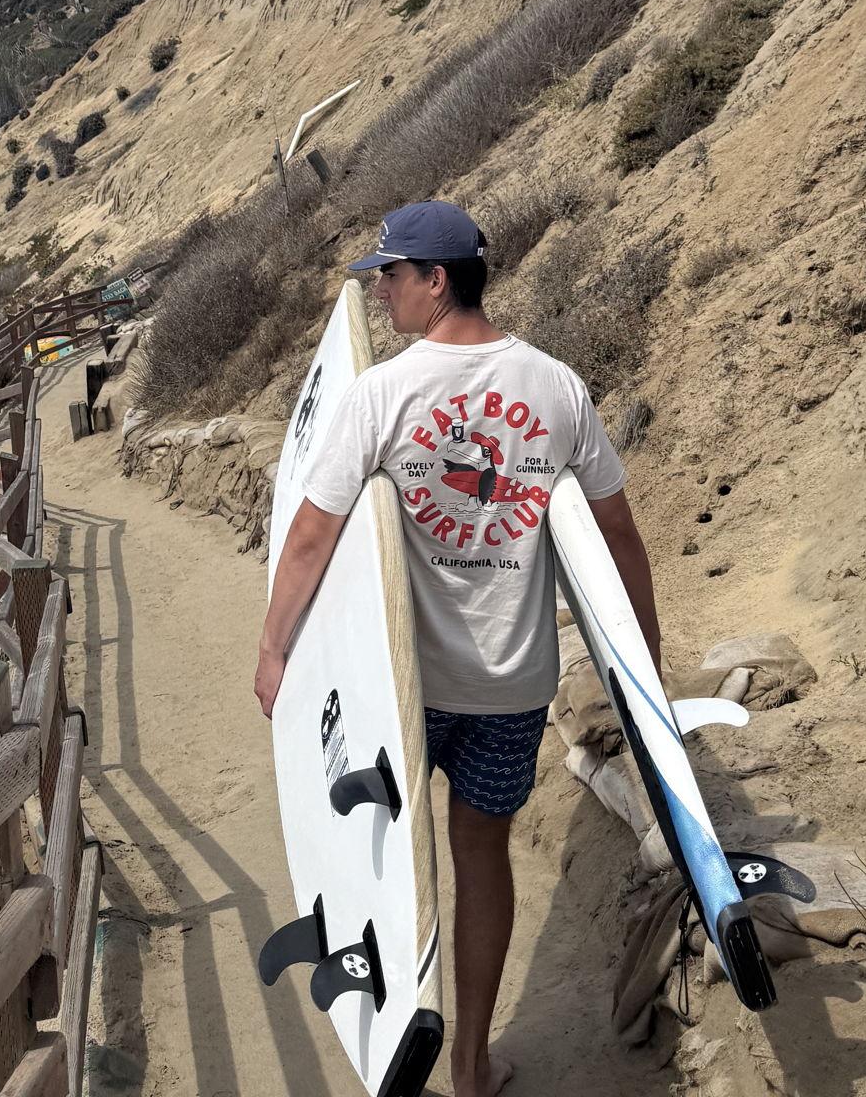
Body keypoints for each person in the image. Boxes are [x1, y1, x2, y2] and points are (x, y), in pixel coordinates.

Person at [258, 200, 663, 1097]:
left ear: (435, 280)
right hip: (511, 687)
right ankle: (473, 1066)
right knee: (481, 855)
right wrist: (646, 665)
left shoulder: (383, 396)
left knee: (387, 857)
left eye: (390, 276)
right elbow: (617, 536)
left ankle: (400, 1029)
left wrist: (275, 652)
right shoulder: (557, 387)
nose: (383, 292)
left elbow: (313, 537)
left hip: (391, 688)